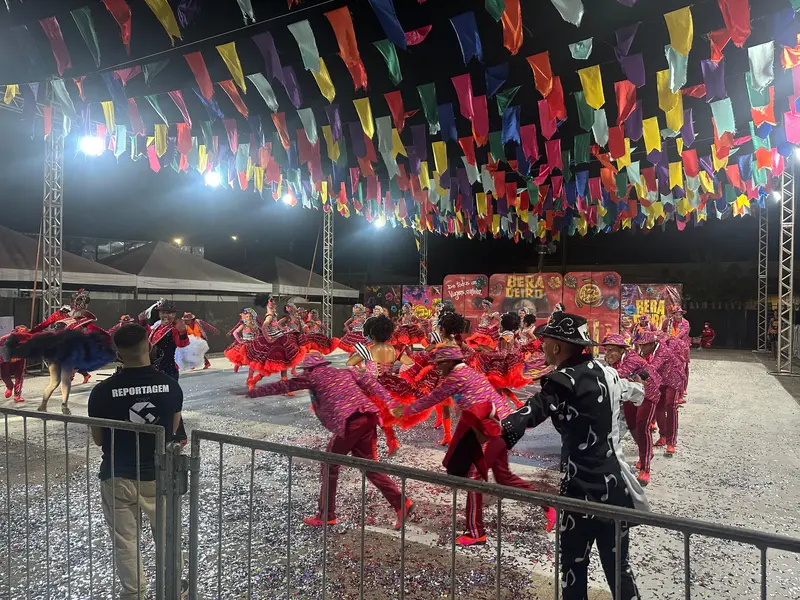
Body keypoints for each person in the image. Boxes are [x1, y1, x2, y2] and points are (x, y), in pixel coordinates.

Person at [501, 312, 648, 599]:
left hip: (580, 491)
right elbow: (636, 391)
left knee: (573, 568)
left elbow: (531, 412)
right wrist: (641, 393)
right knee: (619, 569)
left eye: (545, 342)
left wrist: (498, 432)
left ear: (557, 347)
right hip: (614, 487)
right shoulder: (608, 372)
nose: (541, 347)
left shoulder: (562, 379)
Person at [392, 345, 557, 546]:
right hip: (500, 427)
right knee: (504, 477)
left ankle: (476, 532)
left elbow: (433, 398)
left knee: (473, 478)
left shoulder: (456, 377)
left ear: (450, 362)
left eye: (440, 363)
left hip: (494, 430)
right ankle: (547, 505)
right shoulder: (469, 373)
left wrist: (406, 409)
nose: (437, 368)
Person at [244, 353, 414, 529]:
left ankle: (327, 515)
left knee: (329, 464)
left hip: (351, 422)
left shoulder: (312, 377)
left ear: (309, 369)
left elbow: (284, 385)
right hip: (369, 417)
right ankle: (401, 503)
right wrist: (392, 403)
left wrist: (254, 392)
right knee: (369, 466)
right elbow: (372, 383)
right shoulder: (345, 372)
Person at [87, 324, 186, 600]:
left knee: (125, 543)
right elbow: (172, 430)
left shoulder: (101, 392)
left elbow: (98, 439)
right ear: (150, 348)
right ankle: (173, 589)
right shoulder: (170, 386)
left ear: (118, 354)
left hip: (117, 474)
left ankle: (134, 594)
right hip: (160, 476)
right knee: (168, 538)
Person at [4, 289, 114, 414]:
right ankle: (56, 405)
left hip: (62, 351)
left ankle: (50, 404)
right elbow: (42, 326)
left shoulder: (81, 317)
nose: (80, 304)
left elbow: (43, 326)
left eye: (82, 301)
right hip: (64, 351)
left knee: (57, 381)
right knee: (60, 380)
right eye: (79, 301)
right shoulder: (68, 316)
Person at [346, 315, 418, 456]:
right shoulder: (394, 350)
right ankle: (392, 442)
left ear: (372, 334)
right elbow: (410, 363)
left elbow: (349, 364)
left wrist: (362, 373)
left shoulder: (368, 350)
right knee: (385, 417)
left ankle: (373, 453)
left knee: (370, 422)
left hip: (371, 388)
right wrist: (398, 373)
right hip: (390, 386)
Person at [601, 334, 660, 486]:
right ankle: (646, 452)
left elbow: (614, 377)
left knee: (642, 428)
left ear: (622, 350)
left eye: (611, 350)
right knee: (633, 427)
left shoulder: (632, 359)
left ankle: (645, 469)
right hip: (630, 394)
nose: (607, 354)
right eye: (606, 351)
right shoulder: (612, 361)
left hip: (647, 394)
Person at [637, 330, 685, 457]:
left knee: (670, 406)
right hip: (661, 379)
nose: (641, 348)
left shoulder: (662, 351)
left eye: (644, 345)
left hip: (674, 379)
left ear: (653, 344)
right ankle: (663, 434)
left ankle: (671, 442)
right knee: (658, 405)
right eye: (640, 345)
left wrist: (639, 375)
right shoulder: (646, 352)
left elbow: (653, 367)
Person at [245, 295, 303, 388]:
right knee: (272, 366)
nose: (274, 302)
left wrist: (282, 329)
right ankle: (253, 380)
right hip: (275, 342)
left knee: (284, 364)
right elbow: (264, 327)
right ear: (268, 302)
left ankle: (284, 385)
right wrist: (268, 339)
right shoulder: (270, 315)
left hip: (280, 338)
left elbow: (275, 325)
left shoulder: (273, 314)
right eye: (272, 300)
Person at [663, 307, 690, 404]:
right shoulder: (667, 322)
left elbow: (682, 332)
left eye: (680, 314)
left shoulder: (685, 323)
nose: (678, 316)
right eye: (676, 314)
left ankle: (681, 392)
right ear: (673, 314)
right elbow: (663, 332)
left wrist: (673, 338)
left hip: (682, 348)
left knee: (682, 369)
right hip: (670, 348)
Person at [0, 325, 28, 403]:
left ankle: (17, 395)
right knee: (4, 375)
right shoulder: (6, 338)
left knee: (19, 377)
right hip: (6, 358)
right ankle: (9, 387)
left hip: (19, 359)